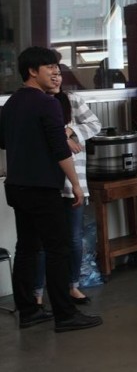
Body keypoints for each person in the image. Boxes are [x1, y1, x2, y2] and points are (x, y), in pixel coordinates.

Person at [0, 46, 102, 332]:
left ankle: (28, 311)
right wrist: (76, 184)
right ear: (33, 71)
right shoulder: (48, 104)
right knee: (58, 249)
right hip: (43, 188)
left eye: (57, 68)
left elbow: (3, 142)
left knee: (27, 248)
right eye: (50, 68)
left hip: (17, 187)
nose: (56, 73)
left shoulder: (11, 103)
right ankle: (65, 315)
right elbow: (60, 149)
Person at [33, 62, 102, 305]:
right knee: (42, 241)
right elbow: (37, 136)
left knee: (73, 238)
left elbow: (95, 125)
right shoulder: (37, 102)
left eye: (59, 74)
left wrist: (69, 132)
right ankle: (37, 292)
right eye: (51, 73)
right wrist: (63, 139)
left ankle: (73, 285)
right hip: (46, 182)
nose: (56, 78)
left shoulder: (72, 100)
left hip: (74, 181)